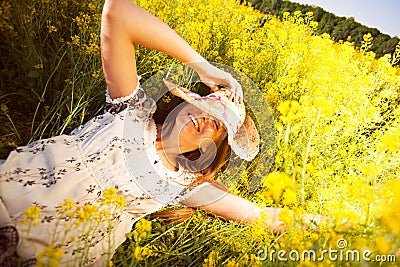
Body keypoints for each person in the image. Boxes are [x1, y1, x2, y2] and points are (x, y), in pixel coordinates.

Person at [0, 0, 324, 266]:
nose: (207, 120)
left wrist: (344, 225)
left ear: (211, 147)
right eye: (208, 109)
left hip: (55, 253)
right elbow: (117, 13)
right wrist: (203, 67)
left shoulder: (185, 184)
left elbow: (257, 215)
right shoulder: (132, 111)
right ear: (185, 104)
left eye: (219, 127)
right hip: (14, 191)